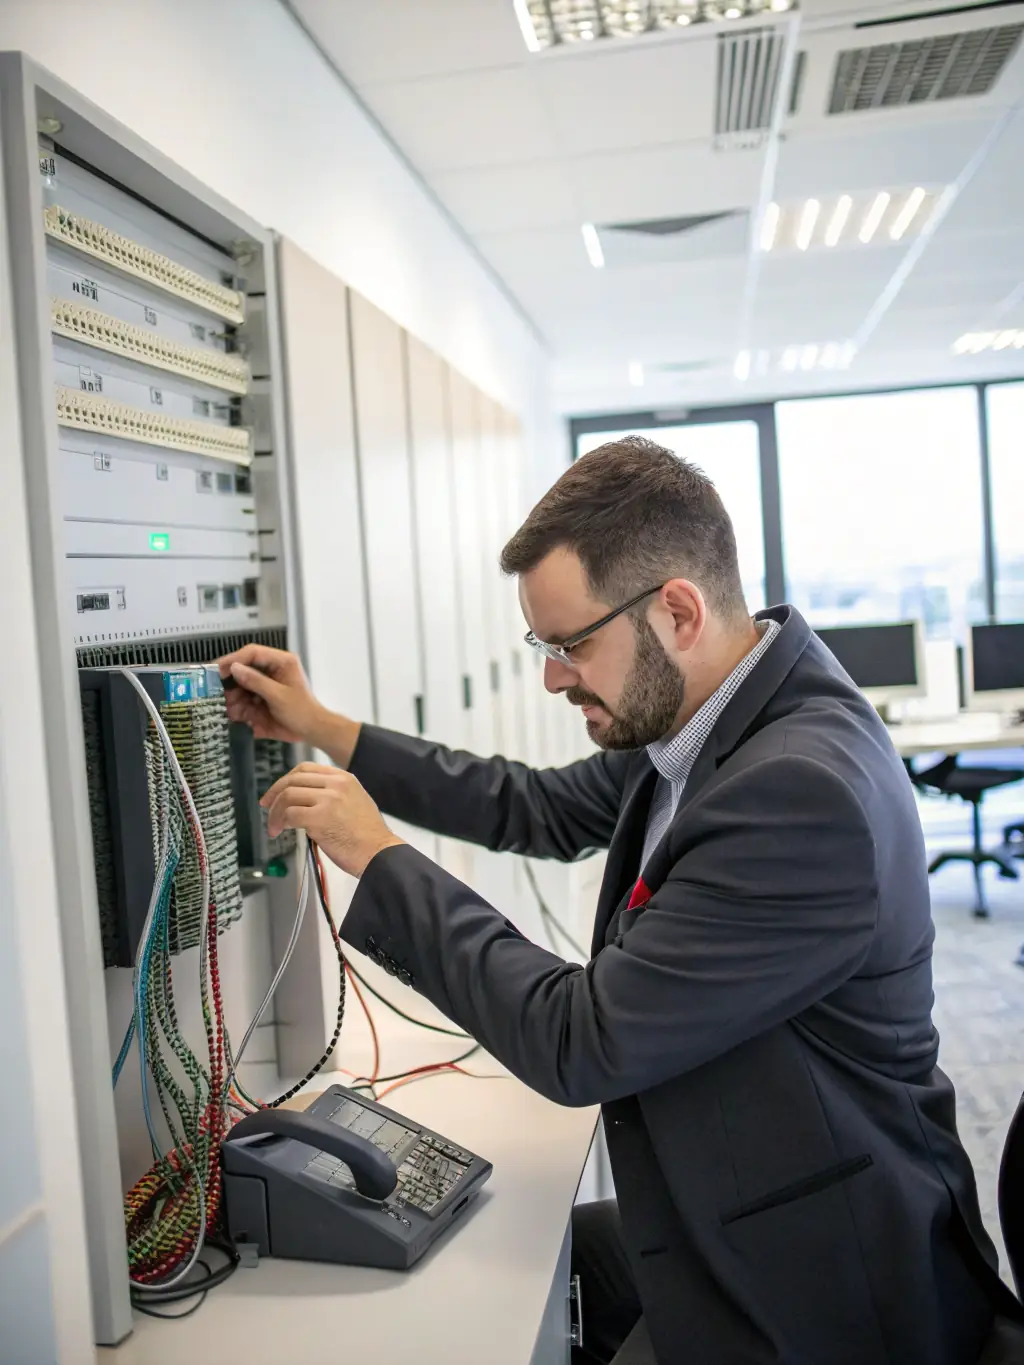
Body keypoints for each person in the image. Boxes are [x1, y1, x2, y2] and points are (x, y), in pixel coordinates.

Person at [220, 436, 1014, 1365]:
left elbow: (583, 1040)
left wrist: (381, 858)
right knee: (504, 1256)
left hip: (825, 1289)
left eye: (571, 645)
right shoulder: (717, 712)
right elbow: (535, 806)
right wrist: (325, 728)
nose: (554, 677)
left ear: (677, 609)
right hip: (745, 1189)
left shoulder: (799, 792)